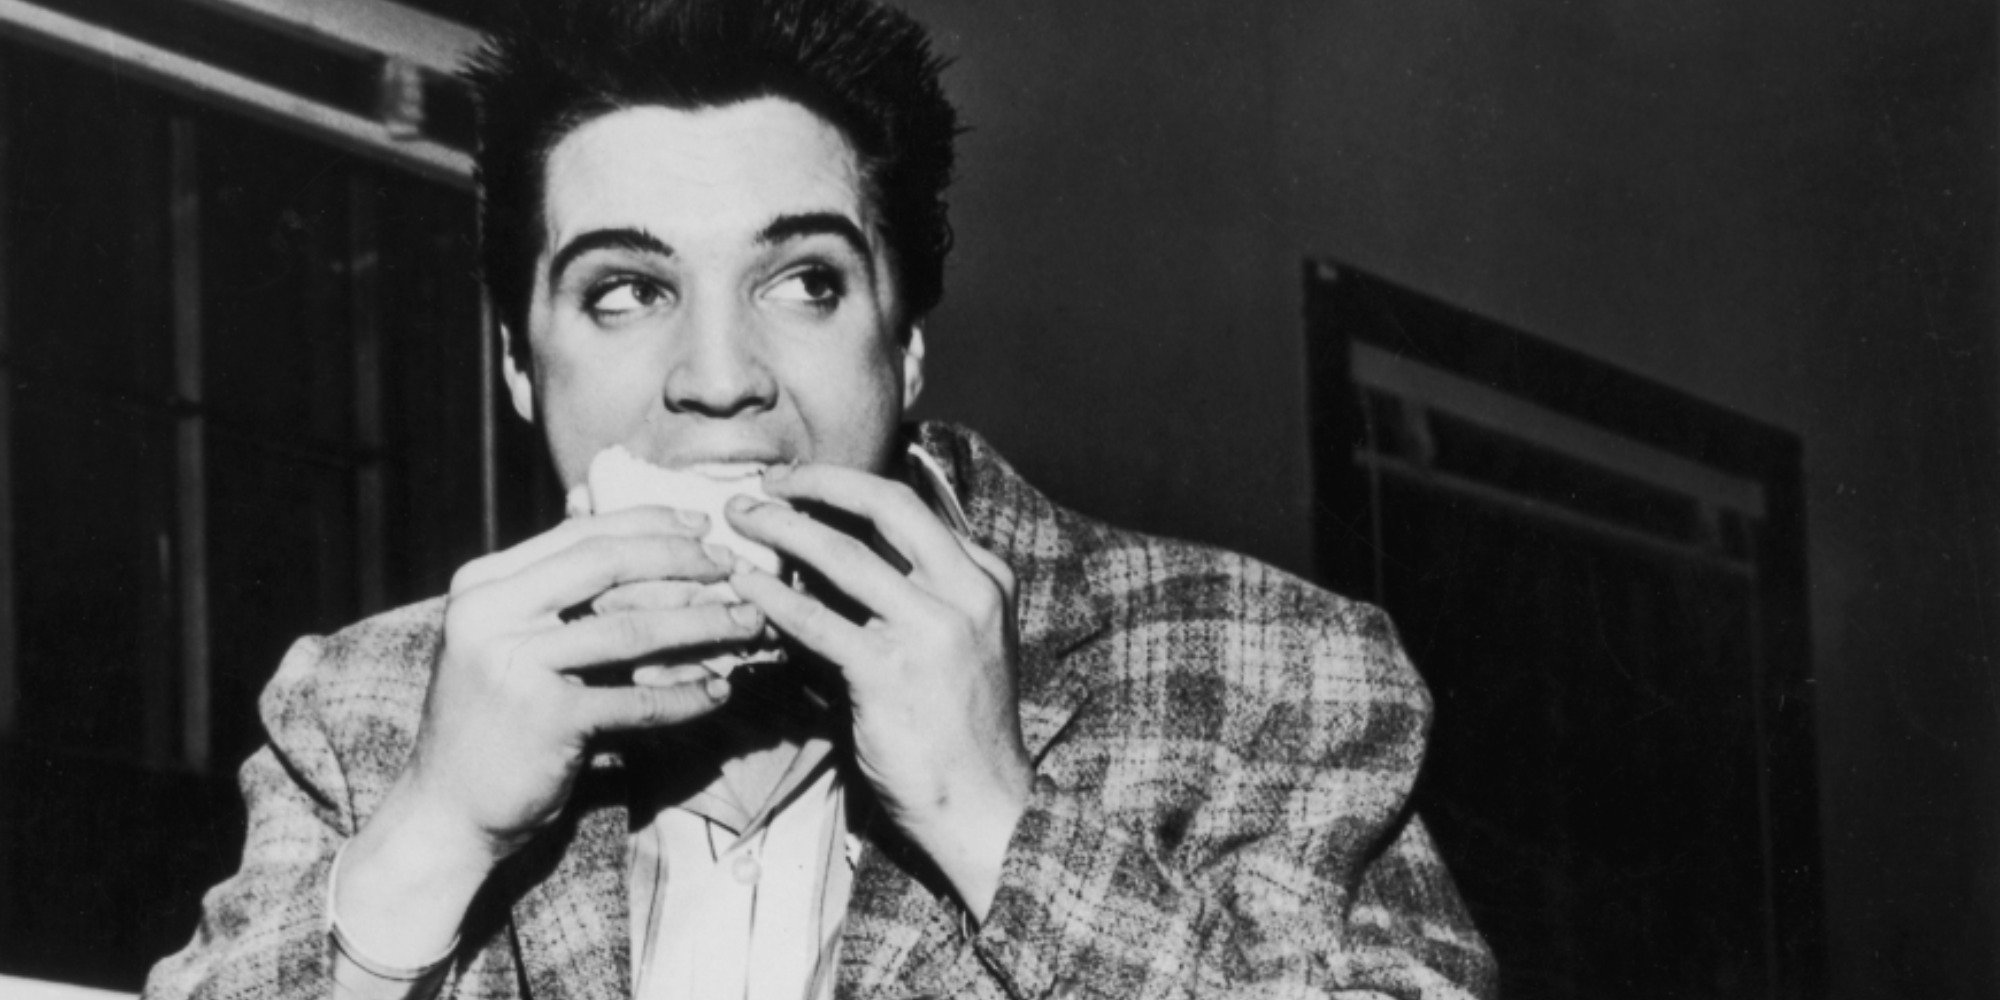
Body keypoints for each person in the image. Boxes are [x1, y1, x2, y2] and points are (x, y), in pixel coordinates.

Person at [144, 0, 1495, 997]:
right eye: (626, 290)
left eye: (803, 283)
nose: (721, 381)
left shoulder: (1271, 669)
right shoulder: (365, 709)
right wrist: (431, 843)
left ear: (905, 342)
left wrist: (991, 817)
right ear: (515, 362)